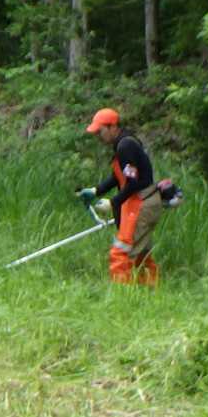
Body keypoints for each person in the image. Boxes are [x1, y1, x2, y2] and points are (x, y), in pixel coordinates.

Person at [79, 107, 162, 285]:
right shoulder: (124, 143)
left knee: (121, 252)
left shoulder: (125, 146)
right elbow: (119, 177)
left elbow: (134, 183)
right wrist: (96, 191)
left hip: (142, 203)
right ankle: (149, 290)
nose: (98, 136)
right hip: (141, 202)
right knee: (141, 253)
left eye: (100, 131)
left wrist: (113, 202)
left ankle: (121, 294)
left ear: (112, 127)